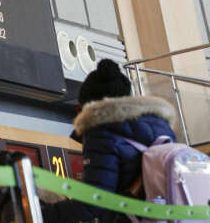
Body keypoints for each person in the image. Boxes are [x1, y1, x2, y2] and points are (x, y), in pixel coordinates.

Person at [42, 59, 176, 223]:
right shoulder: (161, 129)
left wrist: (38, 215)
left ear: (89, 106)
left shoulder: (103, 132)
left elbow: (92, 203)